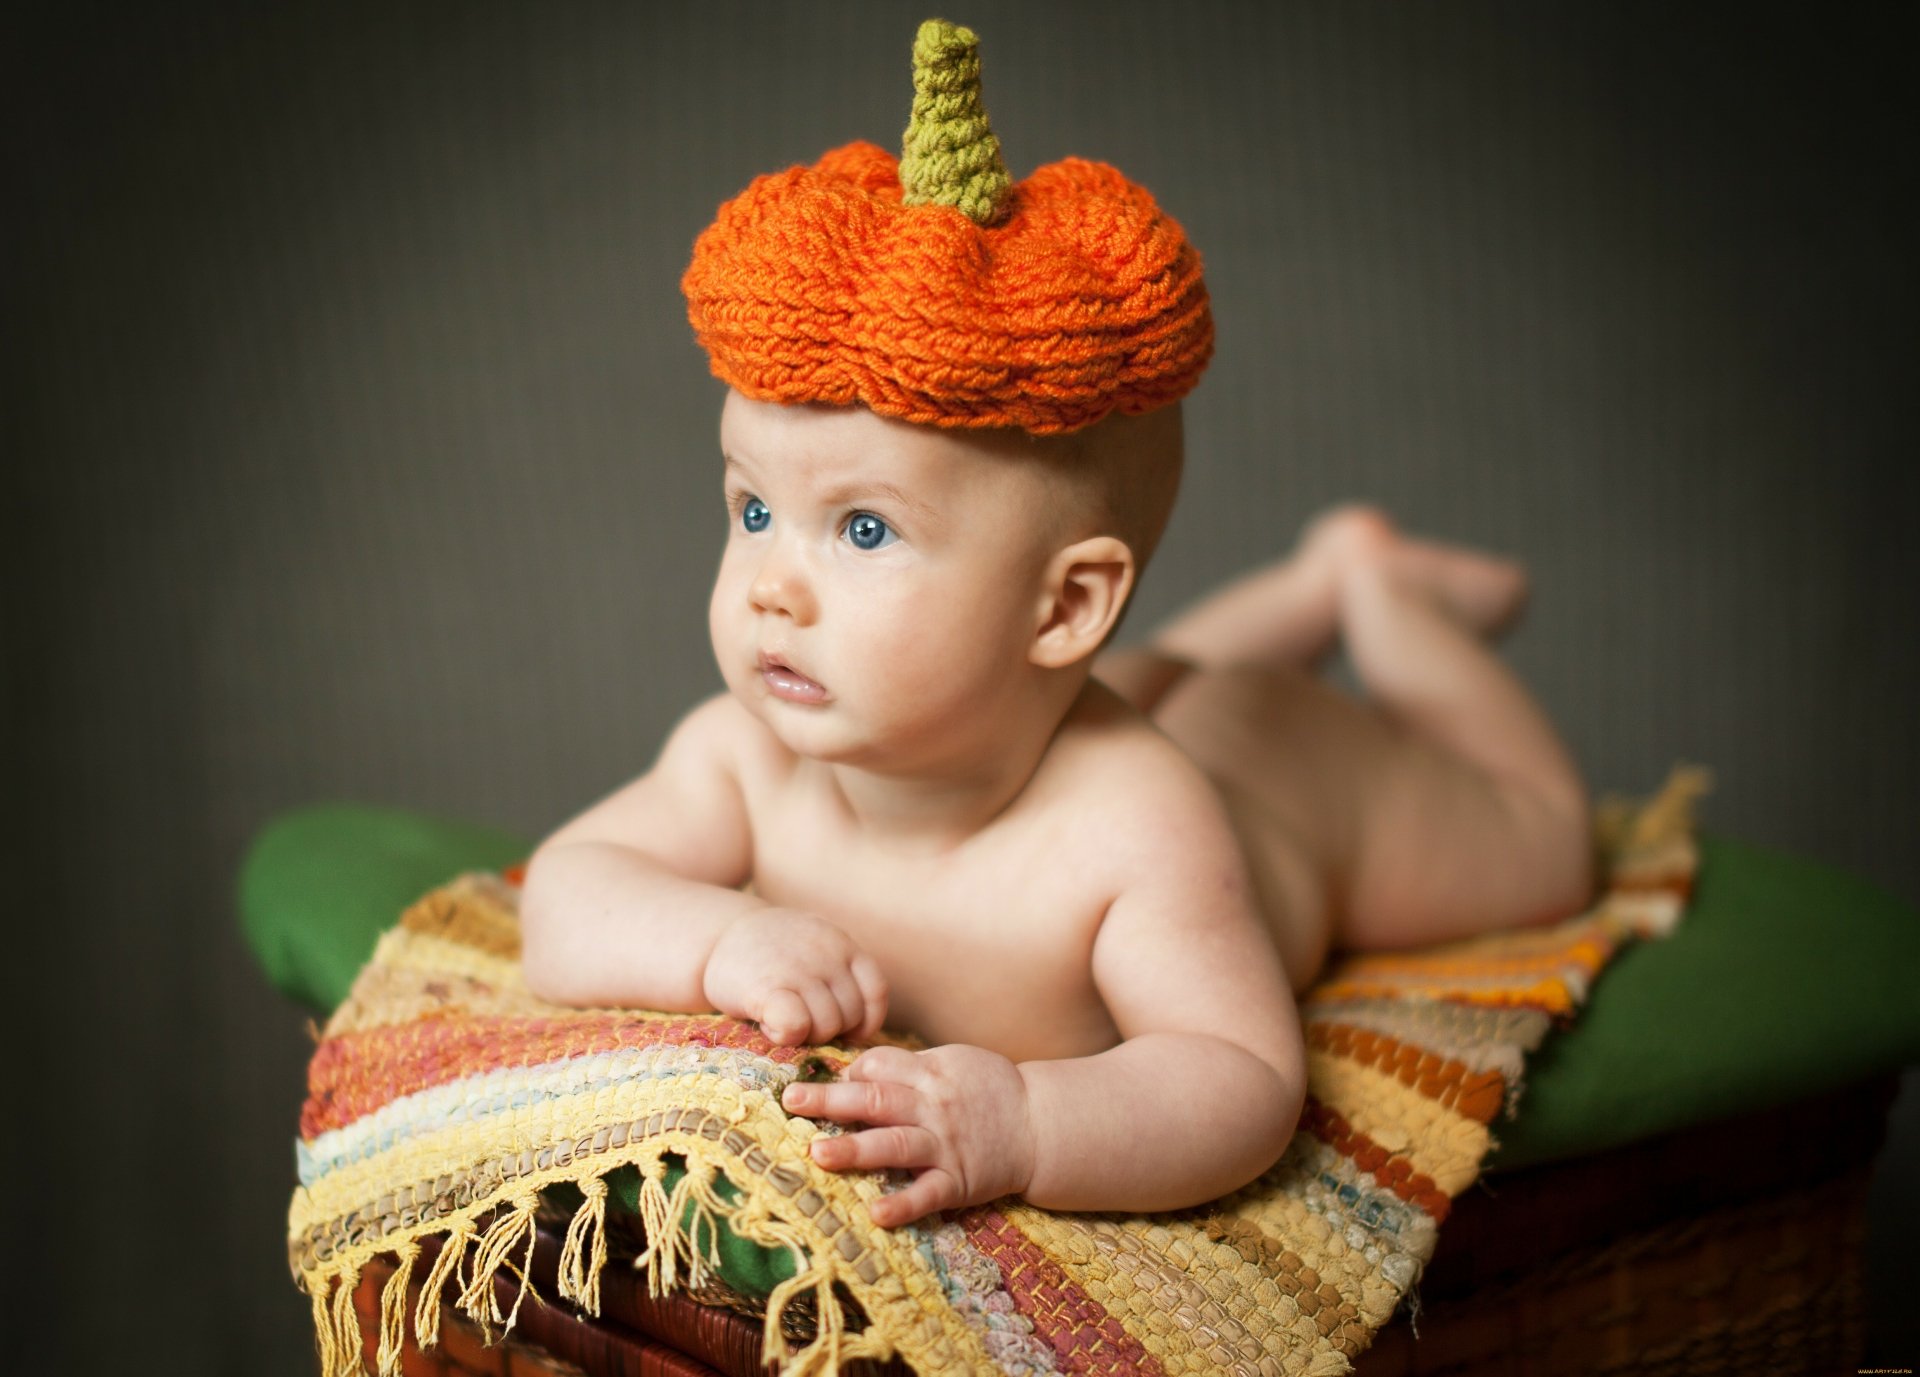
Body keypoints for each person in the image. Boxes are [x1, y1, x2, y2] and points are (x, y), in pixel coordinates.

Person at [518, 21, 1592, 1230]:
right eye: (754, 509)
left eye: (863, 530)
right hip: (1081, 690)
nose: (771, 584)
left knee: (1545, 848)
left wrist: (1027, 1120)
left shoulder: (1134, 832)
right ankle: (1303, 587)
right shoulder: (744, 758)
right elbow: (564, 893)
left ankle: (1384, 591)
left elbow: (1238, 1076)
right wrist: (719, 940)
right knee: (1161, 673)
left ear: (1066, 604)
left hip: (1293, 784)